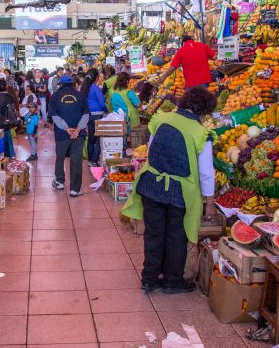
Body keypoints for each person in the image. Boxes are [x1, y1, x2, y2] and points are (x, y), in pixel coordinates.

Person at [121, 86, 217, 294]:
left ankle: (149, 278)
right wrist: (209, 203)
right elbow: (206, 173)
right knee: (176, 235)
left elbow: (152, 149)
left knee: (154, 233)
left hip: (151, 184)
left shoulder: (162, 118)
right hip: (179, 191)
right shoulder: (202, 133)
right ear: (204, 111)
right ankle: (173, 280)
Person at [49, 75, 89, 197]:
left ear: (60, 84)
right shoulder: (80, 95)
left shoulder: (55, 96)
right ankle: (75, 189)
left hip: (62, 134)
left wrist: (66, 129)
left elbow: (54, 116)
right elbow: (86, 114)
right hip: (78, 134)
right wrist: (78, 129)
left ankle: (60, 182)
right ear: (73, 84)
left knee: (60, 157)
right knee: (76, 160)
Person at [80, 68, 107, 167]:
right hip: (98, 115)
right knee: (100, 138)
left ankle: (91, 160)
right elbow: (101, 103)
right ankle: (94, 160)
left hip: (88, 115)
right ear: (96, 78)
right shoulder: (96, 88)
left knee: (91, 139)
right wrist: (107, 110)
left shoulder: (83, 88)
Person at [0, 79, 19, 158]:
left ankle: (1, 158)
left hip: (0, 123)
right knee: (8, 139)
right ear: (7, 86)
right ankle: (10, 155)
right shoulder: (10, 96)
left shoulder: (0, 97)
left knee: (1, 141)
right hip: (8, 122)